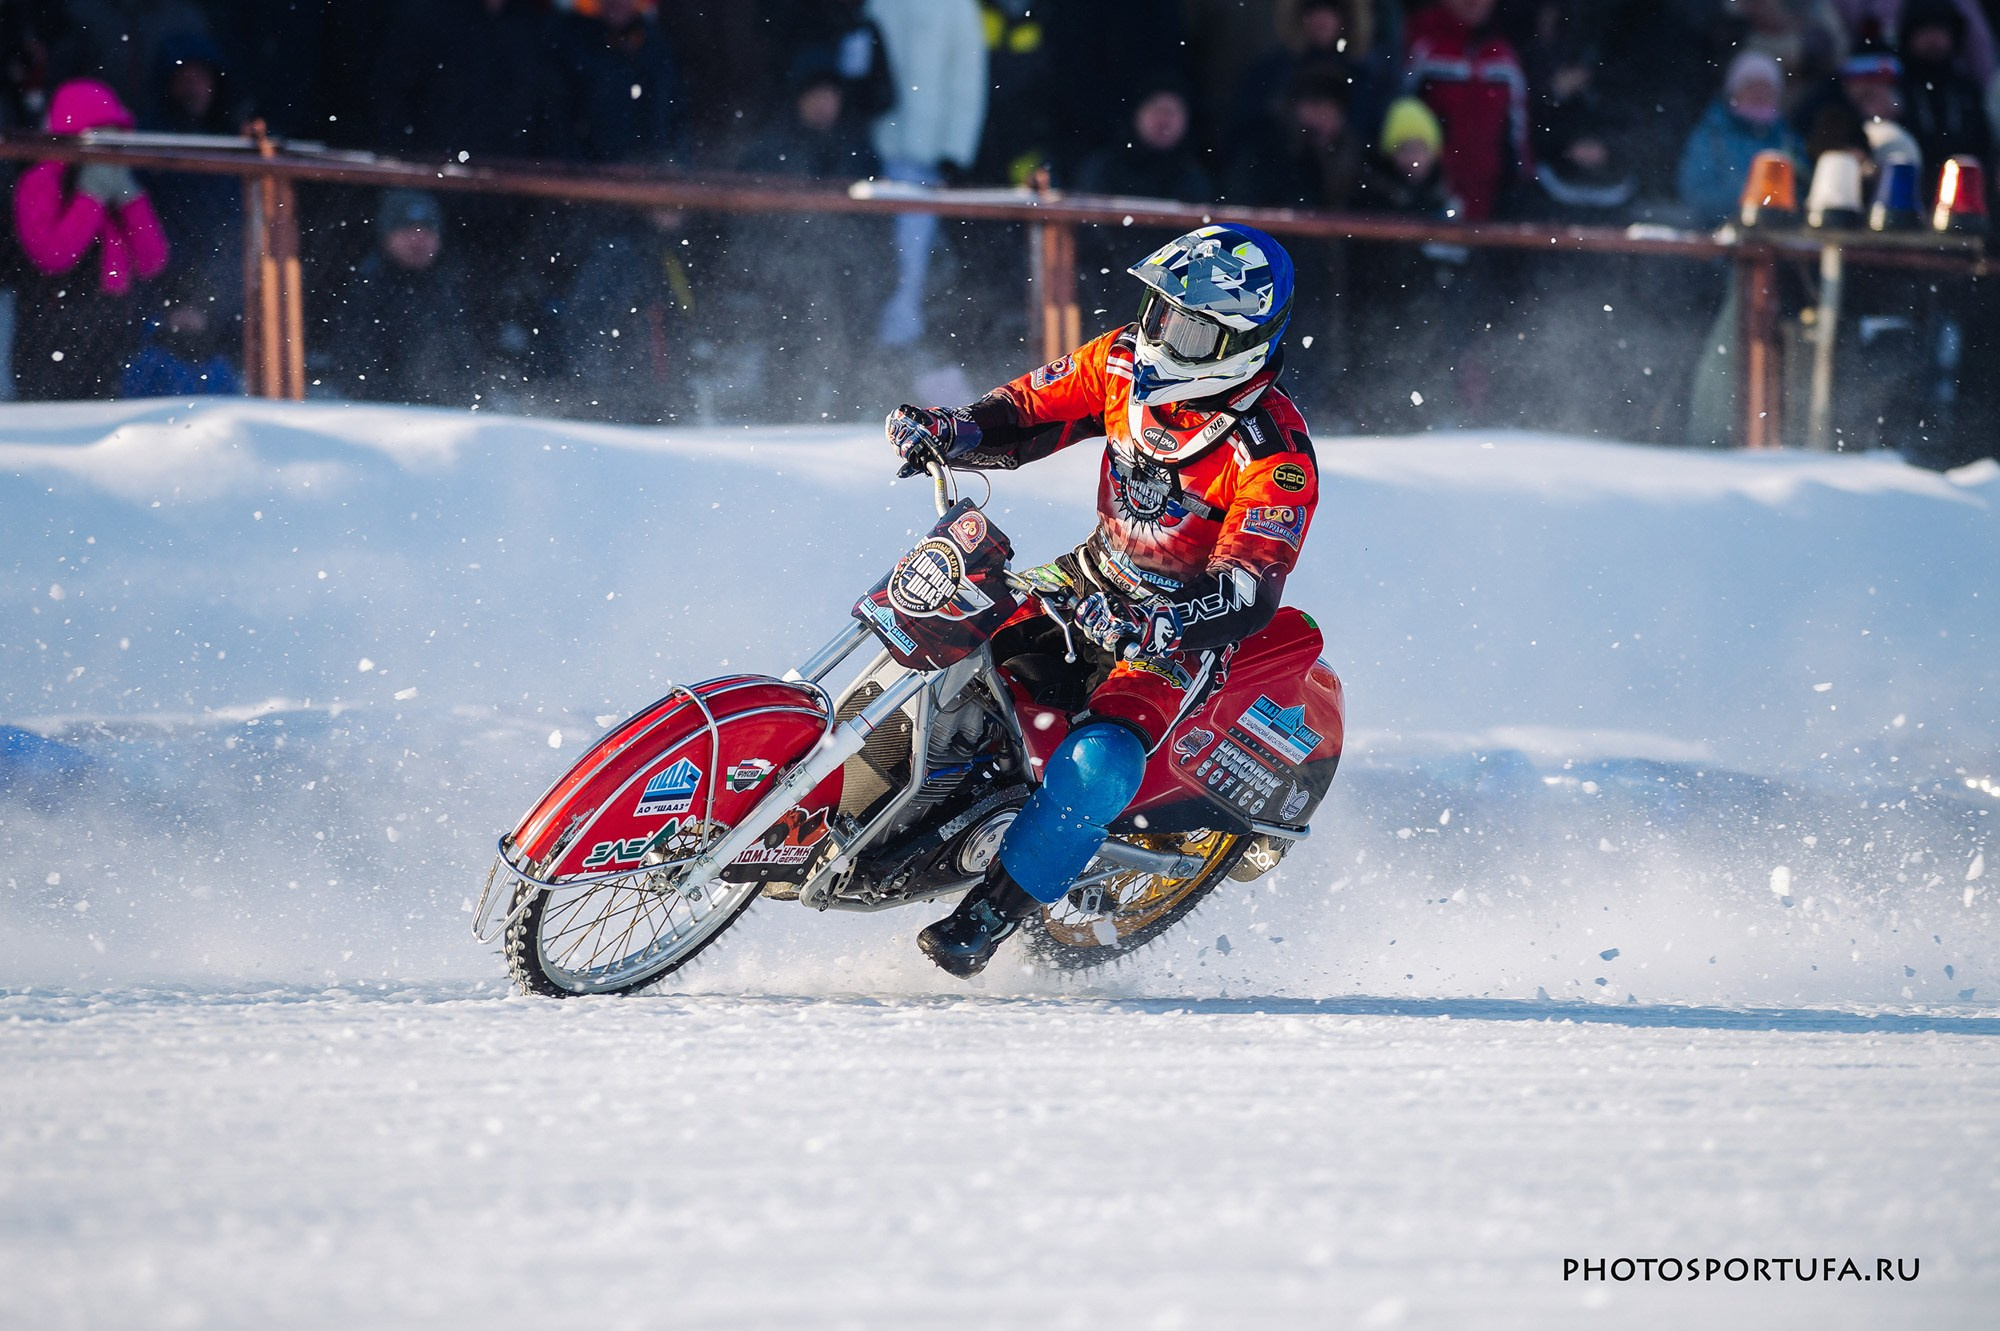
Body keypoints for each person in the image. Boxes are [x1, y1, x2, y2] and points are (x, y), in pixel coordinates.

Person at [884, 224, 1316, 977]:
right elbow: (1030, 410)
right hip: (1087, 577)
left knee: (1101, 763)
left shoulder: (1274, 456)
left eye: (1185, 325)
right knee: (946, 626)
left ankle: (991, 914)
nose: (1156, 334)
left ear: (1236, 345)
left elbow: (1246, 590)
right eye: (1156, 310)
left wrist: (1161, 621)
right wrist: (950, 429)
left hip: (1176, 639)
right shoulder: (1121, 361)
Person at [1403, 0, 1532, 221]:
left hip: (1489, 194)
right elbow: (1401, 114)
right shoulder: (1422, 46)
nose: (1474, 3)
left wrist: (1519, 185)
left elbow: (1517, 134)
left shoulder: (1503, 56)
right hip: (1430, 193)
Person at [1677, 51, 1806, 228]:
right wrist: (1750, 208)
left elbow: (1804, 189)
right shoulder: (1712, 135)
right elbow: (1695, 191)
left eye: (1766, 87)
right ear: (1734, 91)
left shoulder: (1788, 140)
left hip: (1779, 240)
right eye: (1751, 86)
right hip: (1718, 237)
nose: (1759, 93)